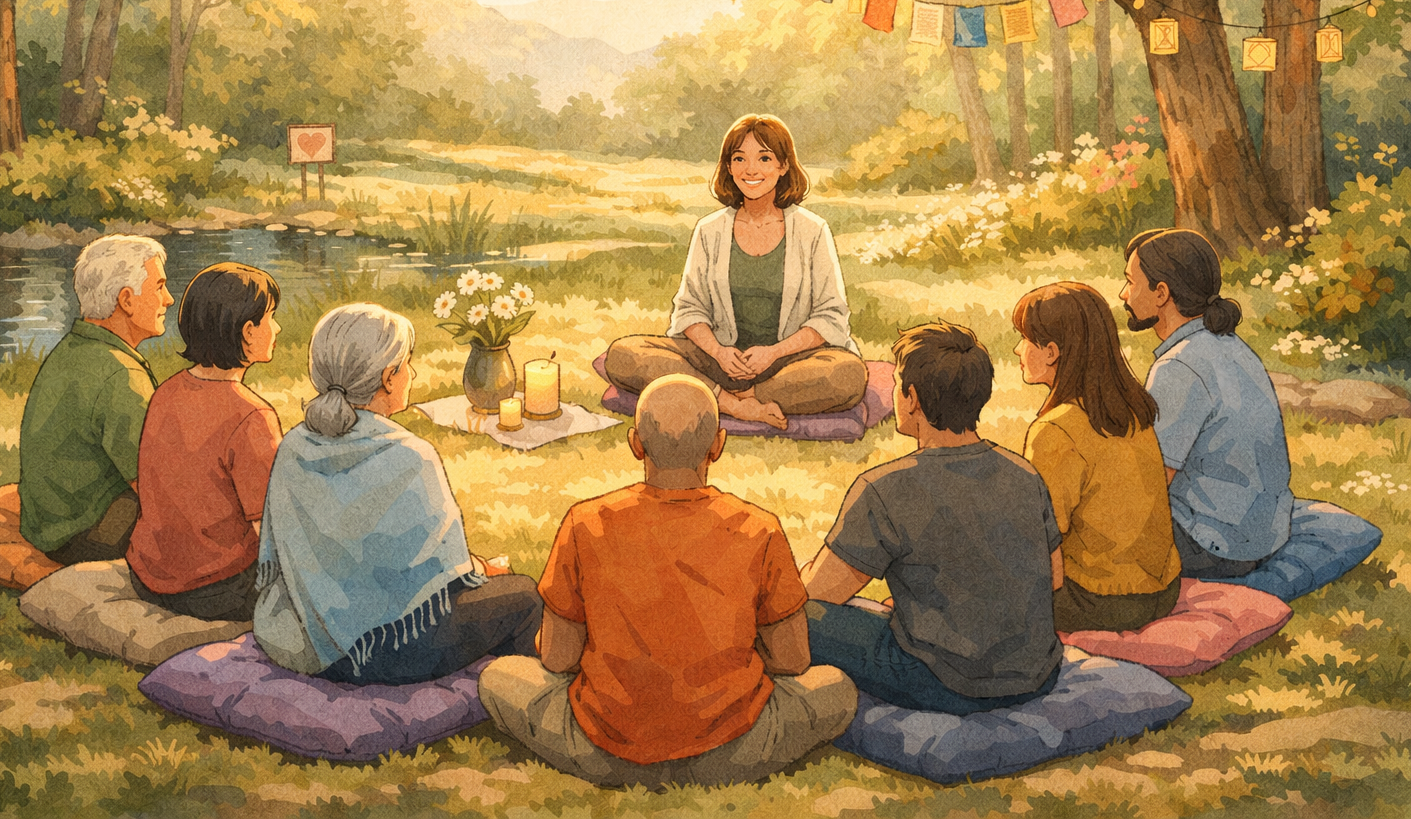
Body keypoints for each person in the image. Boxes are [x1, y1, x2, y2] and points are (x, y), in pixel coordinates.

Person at [478, 374, 856, 788]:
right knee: (836, 688)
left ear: (635, 443)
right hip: (735, 749)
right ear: (718, 445)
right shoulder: (759, 528)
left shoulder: (584, 522)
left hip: (601, 750)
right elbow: (793, 661)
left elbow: (557, 659)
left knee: (499, 677)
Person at [253, 303, 541, 684]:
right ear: (389, 378)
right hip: (382, 651)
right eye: (408, 363)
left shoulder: (293, 445)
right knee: (525, 596)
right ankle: (513, 692)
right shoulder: (412, 455)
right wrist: (482, 571)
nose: (413, 373)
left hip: (302, 640)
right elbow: (440, 579)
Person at [800, 322, 1063, 714]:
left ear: (912, 398)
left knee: (795, 619)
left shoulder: (885, 487)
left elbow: (816, 594)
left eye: (897, 384)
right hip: (1037, 676)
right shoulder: (1024, 473)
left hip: (944, 683)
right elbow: (1054, 578)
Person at [604, 114, 867, 430]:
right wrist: (719, 351)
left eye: (764, 158)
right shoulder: (709, 230)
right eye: (739, 158)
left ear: (784, 165)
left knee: (847, 374)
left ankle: (731, 396)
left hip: (786, 363)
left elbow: (830, 316)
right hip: (718, 362)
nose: (751, 170)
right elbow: (689, 310)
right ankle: (734, 405)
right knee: (623, 355)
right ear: (728, 167)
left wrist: (773, 353)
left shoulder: (813, 230)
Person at [1120, 228, 1294, 578]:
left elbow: (1152, 482)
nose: (1123, 294)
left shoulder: (1178, 366)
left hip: (1215, 545)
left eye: (1130, 282)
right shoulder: (1229, 344)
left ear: (1161, 293)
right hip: (1267, 532)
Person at [1012, 282, 1183, 632]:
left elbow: (1040, 537)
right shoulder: (1132, 410)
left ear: (1052, 352)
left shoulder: (1055, 430)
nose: (1018, 349)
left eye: (1025, 339)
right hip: (1164, 590)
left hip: (1098, 601)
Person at [126, 263, 284, 621]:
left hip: (147, 576)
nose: (277, 329)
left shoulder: (166, 392)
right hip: (218, 589)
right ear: (247, 332)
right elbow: (270, 530)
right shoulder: (253, 416)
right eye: (270, 318)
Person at [19, 234, 173, 564]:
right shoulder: (120, 375)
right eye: (159, 287)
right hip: (85, 538)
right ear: (127, 300)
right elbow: (155, 486)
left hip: (46, 525)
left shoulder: (74, 348)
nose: (169, 299)